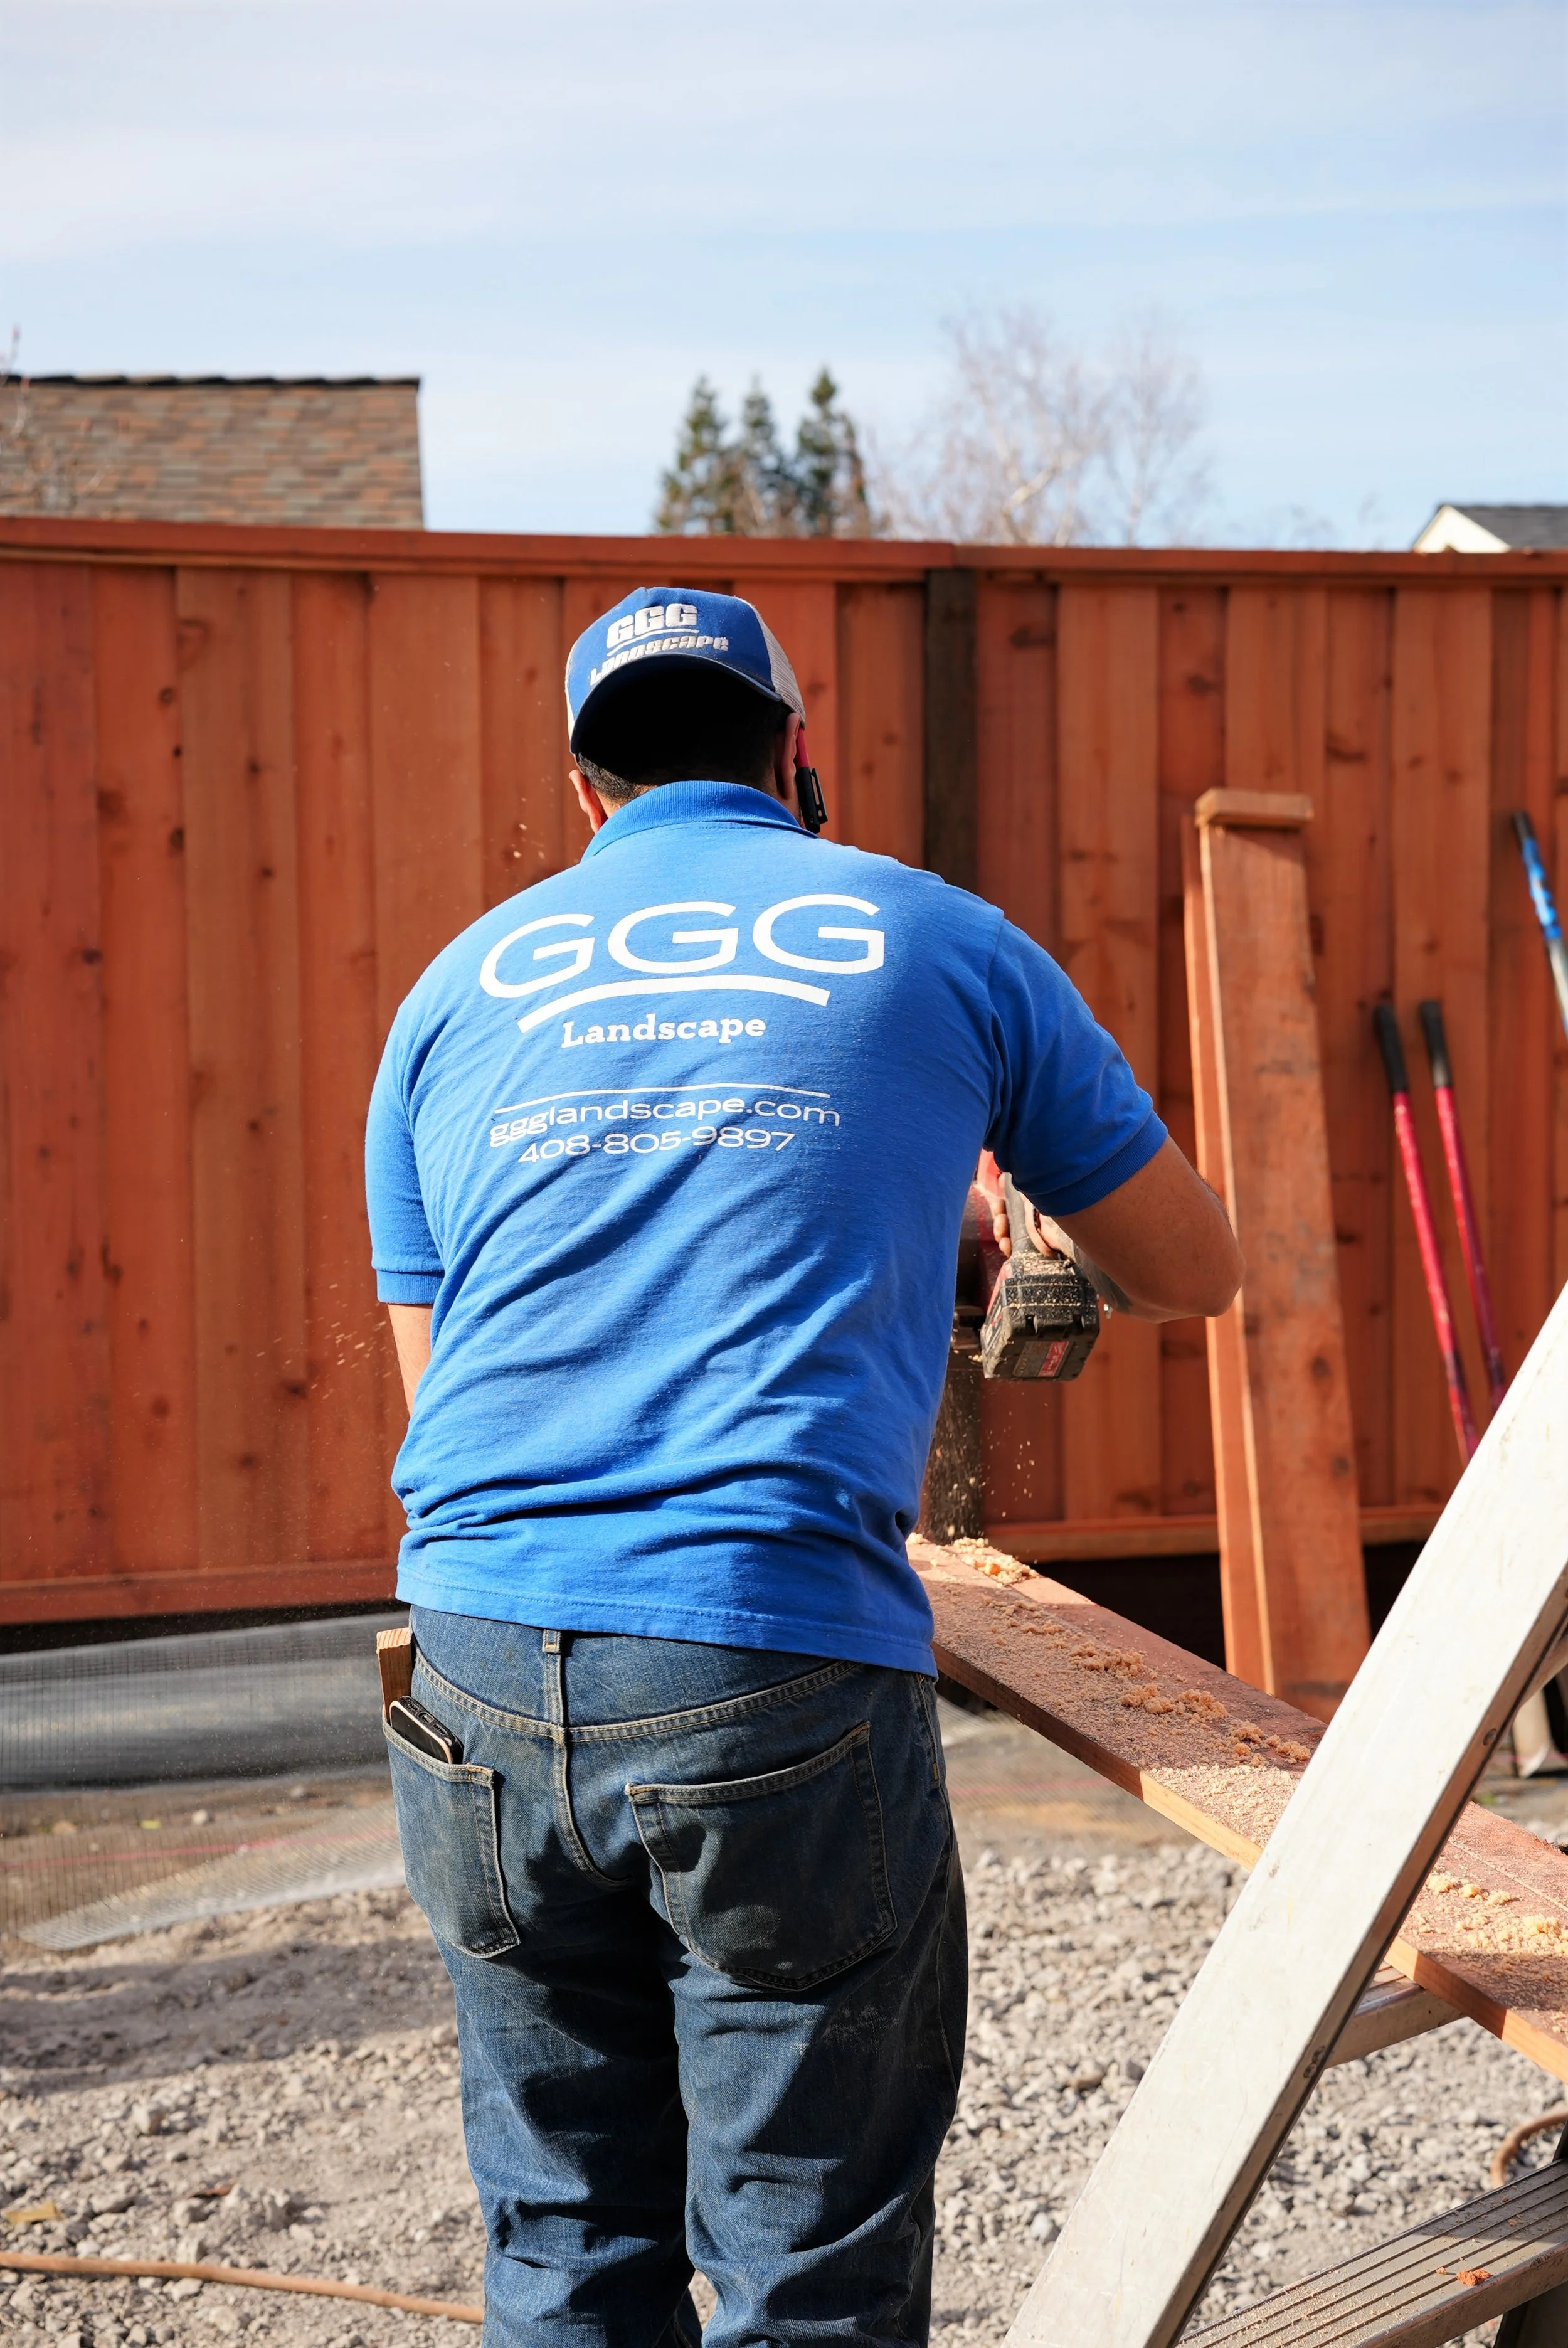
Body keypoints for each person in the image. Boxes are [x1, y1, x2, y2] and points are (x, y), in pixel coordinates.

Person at [364, 587, 1242, 2347]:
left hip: (466, 1648)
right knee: (809, 2262)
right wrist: (992, 1184)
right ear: (794, 755)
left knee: (564, 2237)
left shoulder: (457, 987)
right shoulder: (935, 938)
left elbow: (443, 1390)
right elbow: (1193, 1269)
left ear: (586, 790)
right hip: (761, 1654)